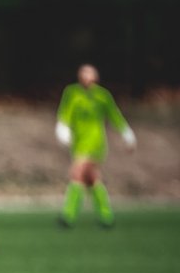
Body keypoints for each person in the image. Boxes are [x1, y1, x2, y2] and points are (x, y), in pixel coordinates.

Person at [55, 64, 136, 228]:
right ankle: (107, 216)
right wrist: (62, 129)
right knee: (92, 179)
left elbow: (115, 116)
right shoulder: (72, 93)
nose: (86, 77)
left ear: (96, 77)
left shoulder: (102, 96)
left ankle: (68, 216)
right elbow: (65, 113)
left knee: (76, 174)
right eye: (83, 73)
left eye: (89, 74)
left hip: (95, 143)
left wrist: (127, 134)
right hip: (78, 143)